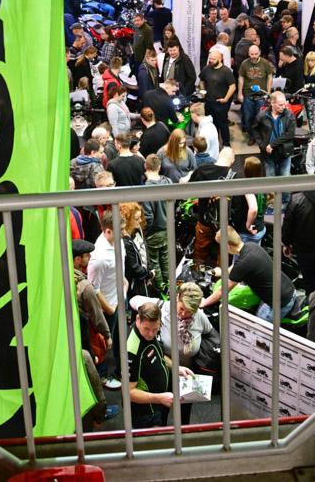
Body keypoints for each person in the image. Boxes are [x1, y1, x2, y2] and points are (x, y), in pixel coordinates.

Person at [201, 227, 296, 322]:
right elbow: (237, 265)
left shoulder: (242, 264)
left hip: (279, 302)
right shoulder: (251, 246)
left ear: (227, 246)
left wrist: (203, 303)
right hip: (288, 288)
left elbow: (222, 291)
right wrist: (223, 272)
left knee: (256, 328)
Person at [127, 301, 193, 429]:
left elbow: (160, 356)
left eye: (155, 329)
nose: (151, 334)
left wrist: (176, 368)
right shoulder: (131, 351)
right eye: (147, 329)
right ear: (137, 319)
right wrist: (159, 398)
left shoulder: (150, 332)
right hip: (146, 413)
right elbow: (128, 392)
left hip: (160, 403)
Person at [88, 211, 128, 389]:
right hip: (108, 308)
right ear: (108, 231)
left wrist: (124, 283)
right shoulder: (98, 257)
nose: (125, 232)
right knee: (103, 346)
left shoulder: (118, 241)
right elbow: (93, 288)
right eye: (121, 229)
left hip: (119, 299)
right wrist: (110, 309)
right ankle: (103, 375)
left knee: (121, 338)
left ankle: (122, 370)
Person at [141, 154, 171, 292]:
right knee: (166, 258)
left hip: (154, 231)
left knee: (154, 261)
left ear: (145, 166)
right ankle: (169, 284)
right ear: (159, 167)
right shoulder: (168, 182)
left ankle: (160, 288)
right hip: (168, 228)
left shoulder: (146, 188)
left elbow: (148, 216)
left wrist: (145, 231)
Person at [199, 47, 236, 147]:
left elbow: (232, 86)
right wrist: (202, 92)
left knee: (223, 125)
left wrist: (226, 99)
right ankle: (213, 143)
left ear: (220, 58)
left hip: (220, 103)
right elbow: (201, 81)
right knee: (211, 125)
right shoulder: (206, 69)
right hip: (209, 102)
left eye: (213, 59)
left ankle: (226, 144)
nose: (211, 61)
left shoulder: (226, 71)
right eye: (210, 58)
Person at [119, 203, 154, 307]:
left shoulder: (137, 231)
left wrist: (150, 269)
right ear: (127, 221)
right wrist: (149, 274)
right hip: (134, 285)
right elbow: (133, 267)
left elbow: (145, 249)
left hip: (143, 279)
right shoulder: (124, 241)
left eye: (140, 217)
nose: (140, 220)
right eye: (137, 219)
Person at [254, 91, 296, 178]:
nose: (283, 107)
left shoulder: (289, 115)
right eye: (280, 105)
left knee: (285, 180)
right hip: (268, 154)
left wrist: (272, 144)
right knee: (270, 181)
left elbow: (290, 134)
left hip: (284, 153)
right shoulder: (262, 115)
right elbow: (255, 129)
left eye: (284, 104)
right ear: (272, 103)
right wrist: (262, 145)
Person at [237, 45, 273, 145]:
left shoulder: (265, 63)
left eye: (256, 54)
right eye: (252, 54)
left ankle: (261, 136)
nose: (253, 56)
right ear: (248, 53)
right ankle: (251, 136)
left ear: (259, 53)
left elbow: (270, 77)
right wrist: (240, 93)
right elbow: (241, 78)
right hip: (248, 95)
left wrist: (268, 91)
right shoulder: (245, 63)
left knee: (261, 117)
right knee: (248, 117)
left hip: (261, 95)